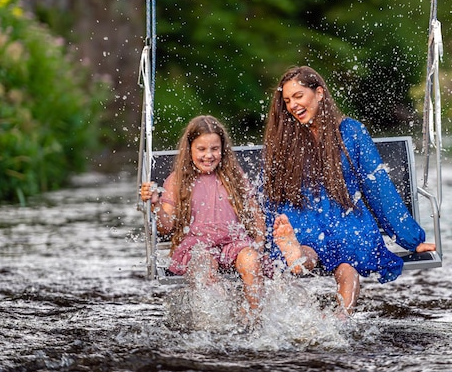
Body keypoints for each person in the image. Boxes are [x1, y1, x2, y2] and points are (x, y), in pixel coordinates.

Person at [262, 65, 436, 316]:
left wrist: (411, 239)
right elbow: (272, 191)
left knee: (326, 252)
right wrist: (268, 234)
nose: (292, 106)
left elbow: (377, 187)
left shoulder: (350, 131)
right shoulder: (286, 137)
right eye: (287, 100)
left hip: (341, 215)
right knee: (346, 263)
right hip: (314, 216)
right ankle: (340, 315)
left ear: (319, 93)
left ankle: (301, 259)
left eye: (298, 96)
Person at [140, 115, 276, 315]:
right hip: (198, 245)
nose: (208, 155)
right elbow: (166, 226)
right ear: (190, 150)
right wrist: (156, 205)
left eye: (214, 149)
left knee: (251, 260)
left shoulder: (234, 175)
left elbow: (255, 215)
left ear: (223, 149)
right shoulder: (177, 180)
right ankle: (216, 320)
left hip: (233, 243)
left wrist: (258, 245)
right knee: (203, 265)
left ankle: (253, 317)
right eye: (201, 149)